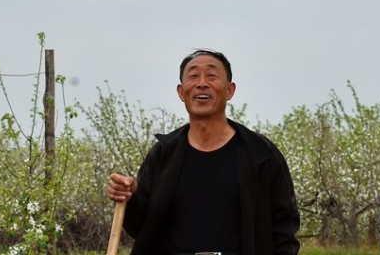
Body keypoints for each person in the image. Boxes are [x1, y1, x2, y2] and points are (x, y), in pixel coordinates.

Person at [107, 49, 300, 255]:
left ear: (229, 90)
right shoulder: (163, 154)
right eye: (193, 76)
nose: (201, 83)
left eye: (211, 76)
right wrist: (130, 197)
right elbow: (142, 228)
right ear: (181, 92)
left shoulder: (261, 154)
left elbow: (283, 230)